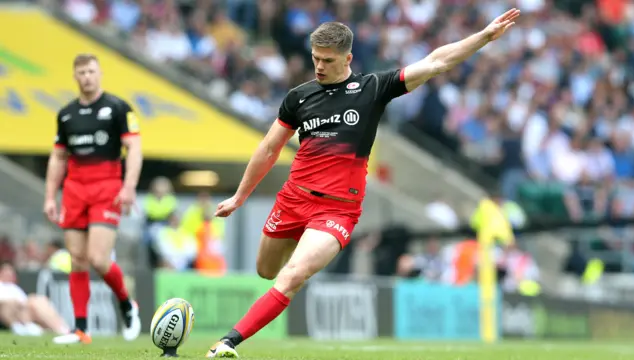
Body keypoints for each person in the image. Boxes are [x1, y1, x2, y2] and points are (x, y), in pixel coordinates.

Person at [207, 10, 521, 358]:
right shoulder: (298, 97)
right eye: (315, 58)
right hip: (292, 199)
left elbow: (435, 63)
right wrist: (240, 196)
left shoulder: (372, 88)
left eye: (327, 60)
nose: (320, 66)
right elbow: (269, 148)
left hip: (337, 210)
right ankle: (294, 259)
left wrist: (484, 37)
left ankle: (227, 343)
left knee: (293, 276)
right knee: (266, 271)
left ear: (348, 58)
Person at [42, 54, 143, 345]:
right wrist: (51, 196)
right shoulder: (65, 114)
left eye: (91, 71)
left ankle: (127, 304)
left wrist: (129, 186)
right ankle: (81, 329)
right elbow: (59, 156)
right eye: (81, 72)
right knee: (78, 259)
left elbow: (134, 148)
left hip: (106, 187)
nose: (87, 76)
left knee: (99, 258)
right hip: (74, 189)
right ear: (75, 76)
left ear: (99, 74)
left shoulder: (117, 108)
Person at [0, 262, 70, 336]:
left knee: (40, 300)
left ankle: (63, 328)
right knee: (10, 304)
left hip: (24, 312)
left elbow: (24, 301)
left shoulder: (15, 288)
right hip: (7, 312)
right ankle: (22, 327)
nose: (9, 274)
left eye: (11, 273)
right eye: (6, 272)